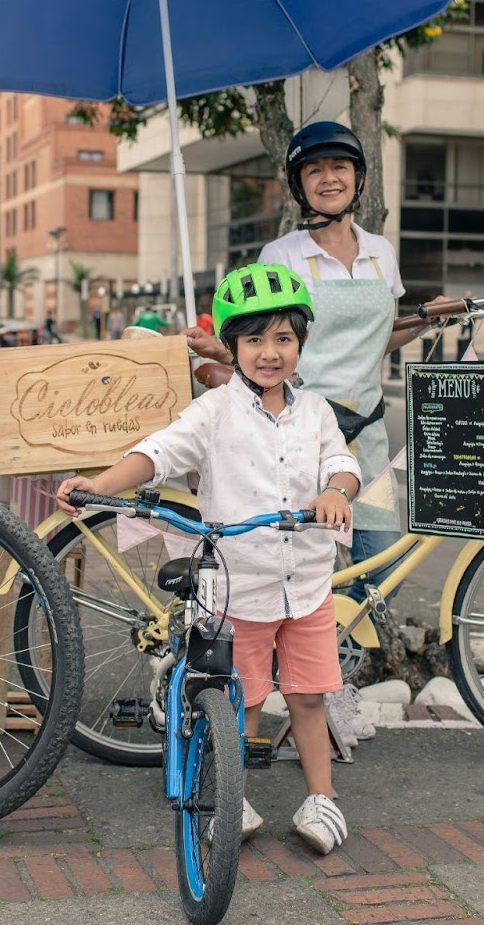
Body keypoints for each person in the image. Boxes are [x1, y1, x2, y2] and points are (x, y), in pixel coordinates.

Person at [56, 263, 361, 854]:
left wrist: (336, 492)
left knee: (307, 694)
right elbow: (157, 453)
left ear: (301, 344)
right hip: (239, 588)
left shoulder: (317, 411)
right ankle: (233, 793)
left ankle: (322, 797)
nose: (269, 354)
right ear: (233, 347)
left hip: (306, 587)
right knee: (241, 699)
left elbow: (341, 464)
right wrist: (102, 482)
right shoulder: (214, 411)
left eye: (283, 339)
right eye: (254, 340)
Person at [183, 122, 447, 741]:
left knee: (376, 566)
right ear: (300, 184)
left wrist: (426, 321)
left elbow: (379, 335)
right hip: (301, 432)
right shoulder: (283, 256)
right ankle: (310, 699)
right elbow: (274, 342)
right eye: (315, 170)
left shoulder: (381, 250)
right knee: (307, 576)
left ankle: (333, 688)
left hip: (369, 429)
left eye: (340, 168)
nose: (330, 179)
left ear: (359, 178)